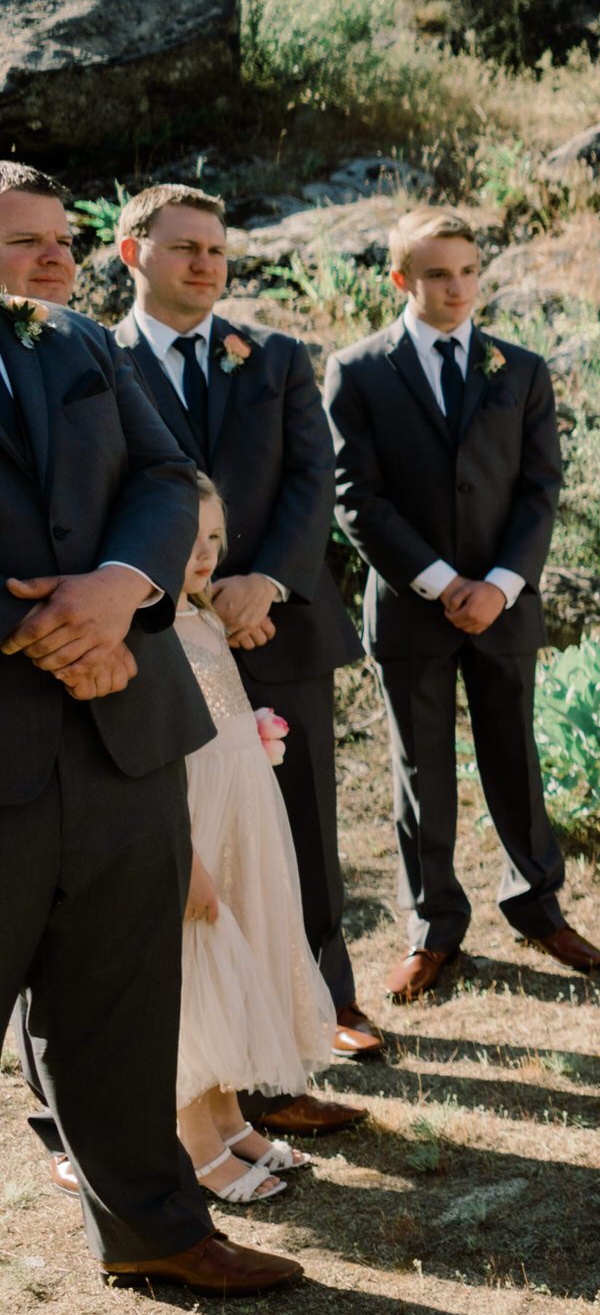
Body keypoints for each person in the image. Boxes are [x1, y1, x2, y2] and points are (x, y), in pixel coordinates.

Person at [0, 159, 298, 1294]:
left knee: (124, 1000)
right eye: (22, 240)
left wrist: (122, 587)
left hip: (130, 730)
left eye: (60, 238)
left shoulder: (75, 346)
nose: (52, 257)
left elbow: (170, 478)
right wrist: (43, 623)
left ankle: (158, 1230)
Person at [109, 184, 379, 1084]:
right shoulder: (92, 361)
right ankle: (203, 1049)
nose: (205, 264)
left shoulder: (275, 356)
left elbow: (314, 474)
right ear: (130, 252)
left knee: (298, 825)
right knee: (181, 836)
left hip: (277, 627)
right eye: (185, 247)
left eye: (217, 250)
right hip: (151, 642)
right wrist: (174, 596)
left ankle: (325, 1004)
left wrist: (264, 581)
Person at [328, 209, 600, 1002]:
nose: (457, 288)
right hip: (415, 608)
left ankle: (536, 903)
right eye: (439, 274)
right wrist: (444, 582)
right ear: (401, 279)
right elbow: (357, 498)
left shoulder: (518, 369)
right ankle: (434, 927)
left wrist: (500, 585)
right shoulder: (359, 370)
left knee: (515, 758)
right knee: (422, 772)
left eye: (469, 272)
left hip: (505, 605)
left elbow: (539, 490)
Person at [168, 476, 339, 1202]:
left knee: (241, 958)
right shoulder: (156, 630)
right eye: (187, 540)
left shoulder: (205, 618)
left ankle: (231, 1119)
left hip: (244, 811)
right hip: (197, 818)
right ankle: (193, 1138)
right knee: (198, 969)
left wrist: (253, 732)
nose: (204, 555)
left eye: (214, 539)